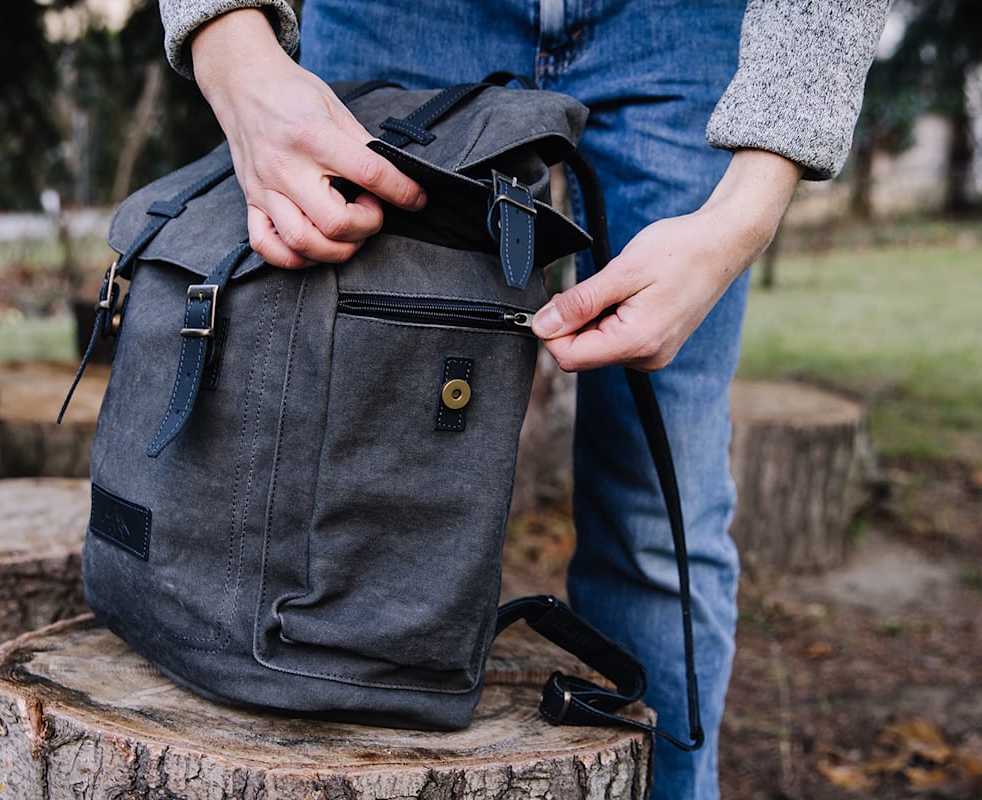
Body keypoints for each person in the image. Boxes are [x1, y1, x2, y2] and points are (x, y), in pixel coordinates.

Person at [155, 1, 891, 796]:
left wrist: (745, 210)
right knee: (332, 470)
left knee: (658, 504)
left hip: (684, 31)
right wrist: (234, 56)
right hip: (397, 19)